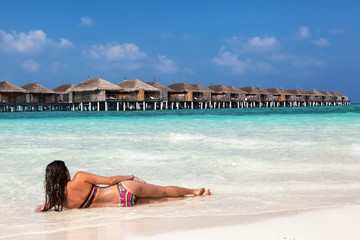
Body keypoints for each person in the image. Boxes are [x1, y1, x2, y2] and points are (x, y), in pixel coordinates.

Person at [36, 160, 211, 212]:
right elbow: (111, 180)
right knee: (163, 190)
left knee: (163, 199)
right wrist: (130, 176)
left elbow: (41, 209)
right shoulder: (79, 178)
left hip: (122, 204)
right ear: (63, 172)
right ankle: (194, 192)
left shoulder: (58, 200)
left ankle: (193, 199)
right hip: (124, 189)